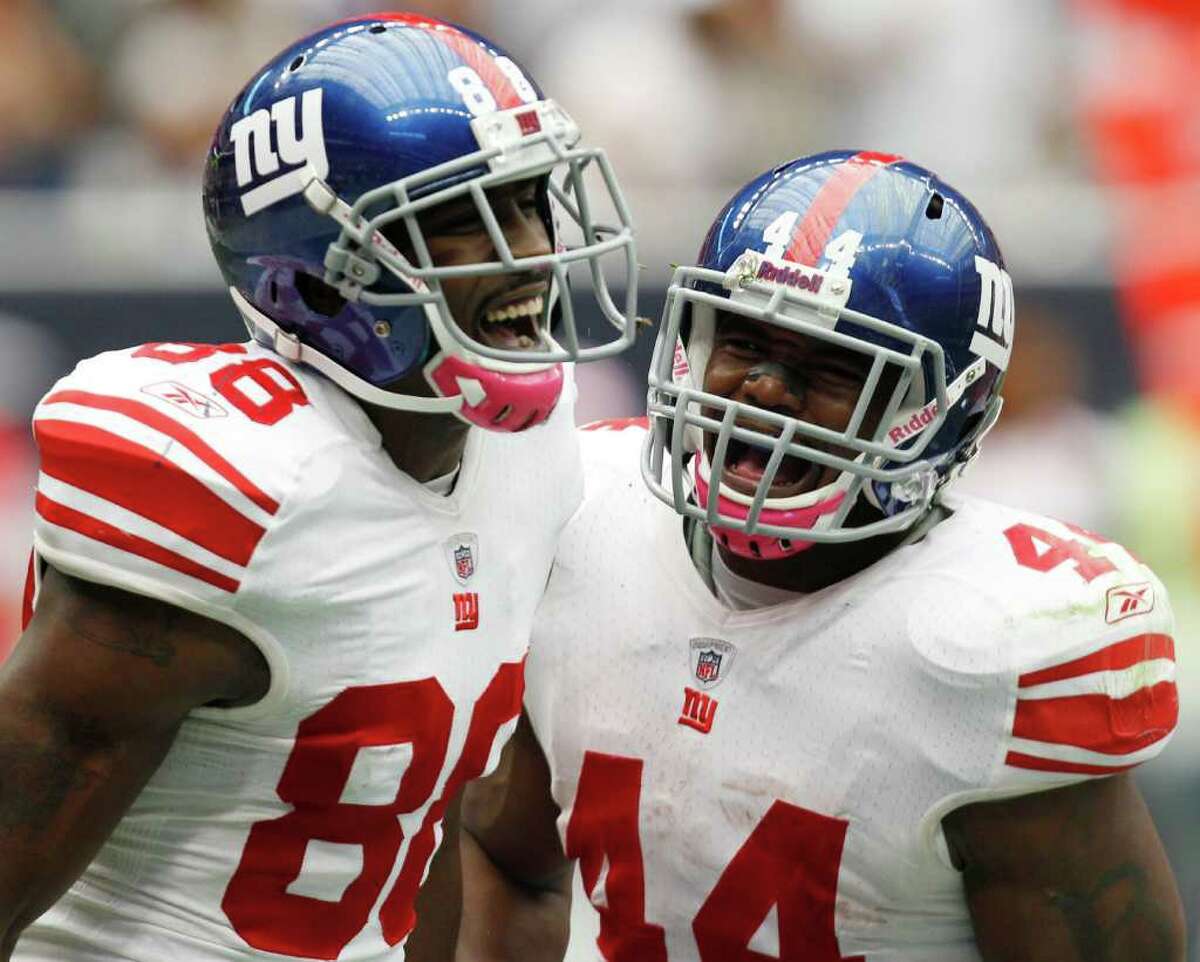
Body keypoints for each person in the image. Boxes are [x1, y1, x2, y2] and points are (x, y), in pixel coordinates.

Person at [0, 11, 638, 962]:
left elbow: (412, 835)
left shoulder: (529, 454)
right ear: (321, 279)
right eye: (460, 221)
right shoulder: (236, 494)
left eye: (528, 201)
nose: (530, 251)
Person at [458, 151, 1185, 962]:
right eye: (741, 341)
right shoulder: (584, 516)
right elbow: (507, 859)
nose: (762, 390)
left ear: (941, 415)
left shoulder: (987, 647)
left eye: (834, 366)